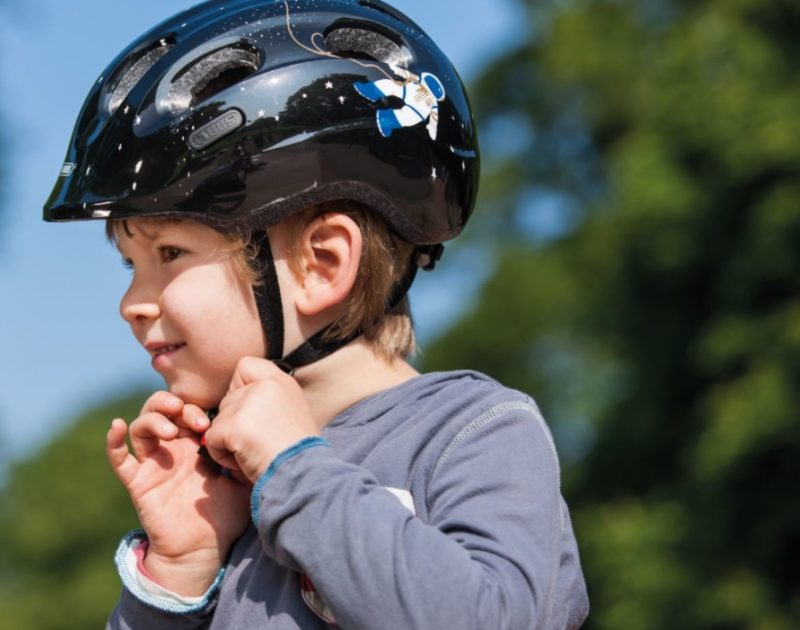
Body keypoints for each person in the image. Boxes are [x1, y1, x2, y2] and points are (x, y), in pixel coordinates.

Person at [43, 1, 589, 627]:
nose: (131, 304)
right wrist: (179, 573)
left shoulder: (473, 433)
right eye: (129, 265)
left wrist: (295, 468)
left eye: (169, 253)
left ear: (321, 264)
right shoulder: (226, 487)